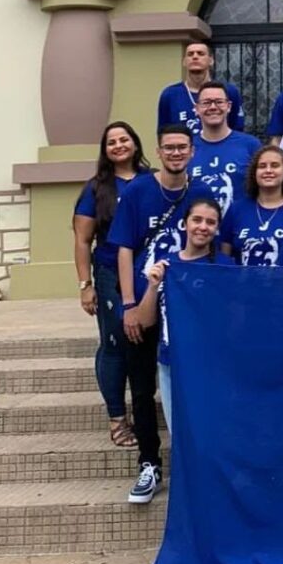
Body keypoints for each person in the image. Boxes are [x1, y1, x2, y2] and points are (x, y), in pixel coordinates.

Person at [108, 124, 213, 506]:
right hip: (146, 299)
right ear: (158, 150)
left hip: (183, 307)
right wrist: (129, 303)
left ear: (192, 151)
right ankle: (149, 463)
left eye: (182, 147)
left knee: (187, 383)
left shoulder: (200, 193)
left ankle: (191, 463)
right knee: (141, 384)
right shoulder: (138, 190)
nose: (175, 153)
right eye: (168, 148)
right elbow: (123, 249)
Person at [137, 196, 235, 493]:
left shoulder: (225, 266)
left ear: (218, 229)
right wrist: (153, 285)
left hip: (212, 366)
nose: (203, 227)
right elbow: (144, 321)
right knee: (182, 433)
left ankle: (217, 491)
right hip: (171, 364)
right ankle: (192, 495)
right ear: (185, 224)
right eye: (197, 220)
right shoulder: (167, 266)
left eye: (210, 222)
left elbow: (235, 317)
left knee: (215, 432)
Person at [72, 121, 151, 449]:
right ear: (105, 150)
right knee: (115, 344)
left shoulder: (153, 180)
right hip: (108, 274)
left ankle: (146, 411)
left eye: (124, 139)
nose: (118, 145)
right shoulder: (96, 189)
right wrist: (85, 285)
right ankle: (118, 419)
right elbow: (81, 239)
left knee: (147, 344)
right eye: (111, 142)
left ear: (135, 143)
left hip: (150, 275)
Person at [187, 81, 261, 214]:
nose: (213, 107)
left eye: (219, 102)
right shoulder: (187, 148)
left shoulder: (251, 145)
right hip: (200, 229)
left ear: (229, 106)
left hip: (240, 228)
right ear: (196, 108)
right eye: (206, 102)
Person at [221, 145, 283, 266]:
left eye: (275, 165)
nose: (268, 170)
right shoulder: (236, 210)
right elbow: (224, 258)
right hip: (242, 284)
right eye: (262, 166)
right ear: (254, 173)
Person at [156, 41, 244, 136]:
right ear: (184, 61)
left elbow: (237, 128)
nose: (195, 57)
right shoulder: (170, 94)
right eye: (190, 54)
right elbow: (163, 132)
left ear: (211, 60)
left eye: (200, 54)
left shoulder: (228, 91)